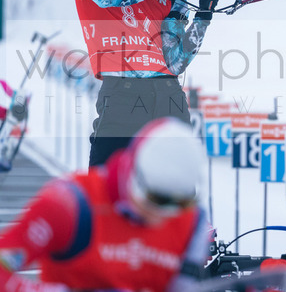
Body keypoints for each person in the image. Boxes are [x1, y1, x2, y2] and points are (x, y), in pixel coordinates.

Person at [71, 0, 225, 166]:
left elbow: (175, 62)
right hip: (121, 95)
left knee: (179, 190)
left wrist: (204, 13)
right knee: (107, 187)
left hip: (170, 97)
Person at [0, 117, 210, 292]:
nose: (162, 214)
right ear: (133, 174)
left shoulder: (192, 223)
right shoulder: (69, 204)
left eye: (180, 204)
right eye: (154, 200)